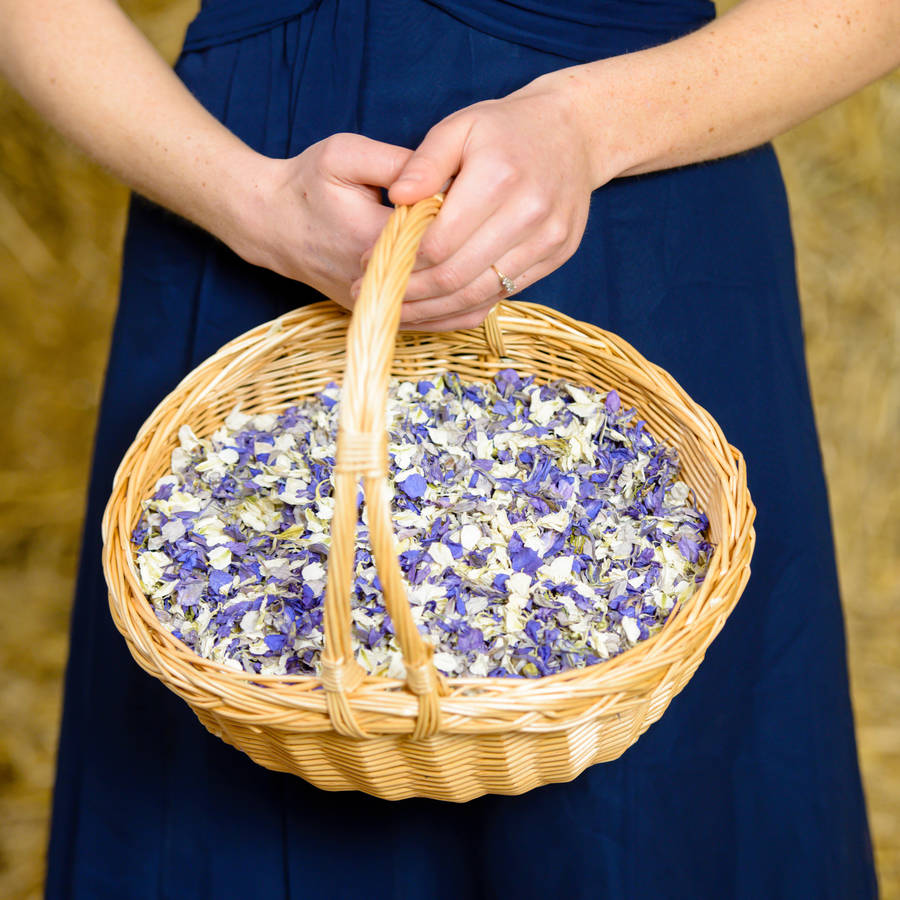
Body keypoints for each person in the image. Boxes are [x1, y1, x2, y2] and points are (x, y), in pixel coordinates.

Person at [2, 0, 896, 896]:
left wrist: (590, 127)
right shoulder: (250, 210)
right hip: (257, 202)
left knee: (655, 835)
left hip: (633, 183)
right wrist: (244, 199)